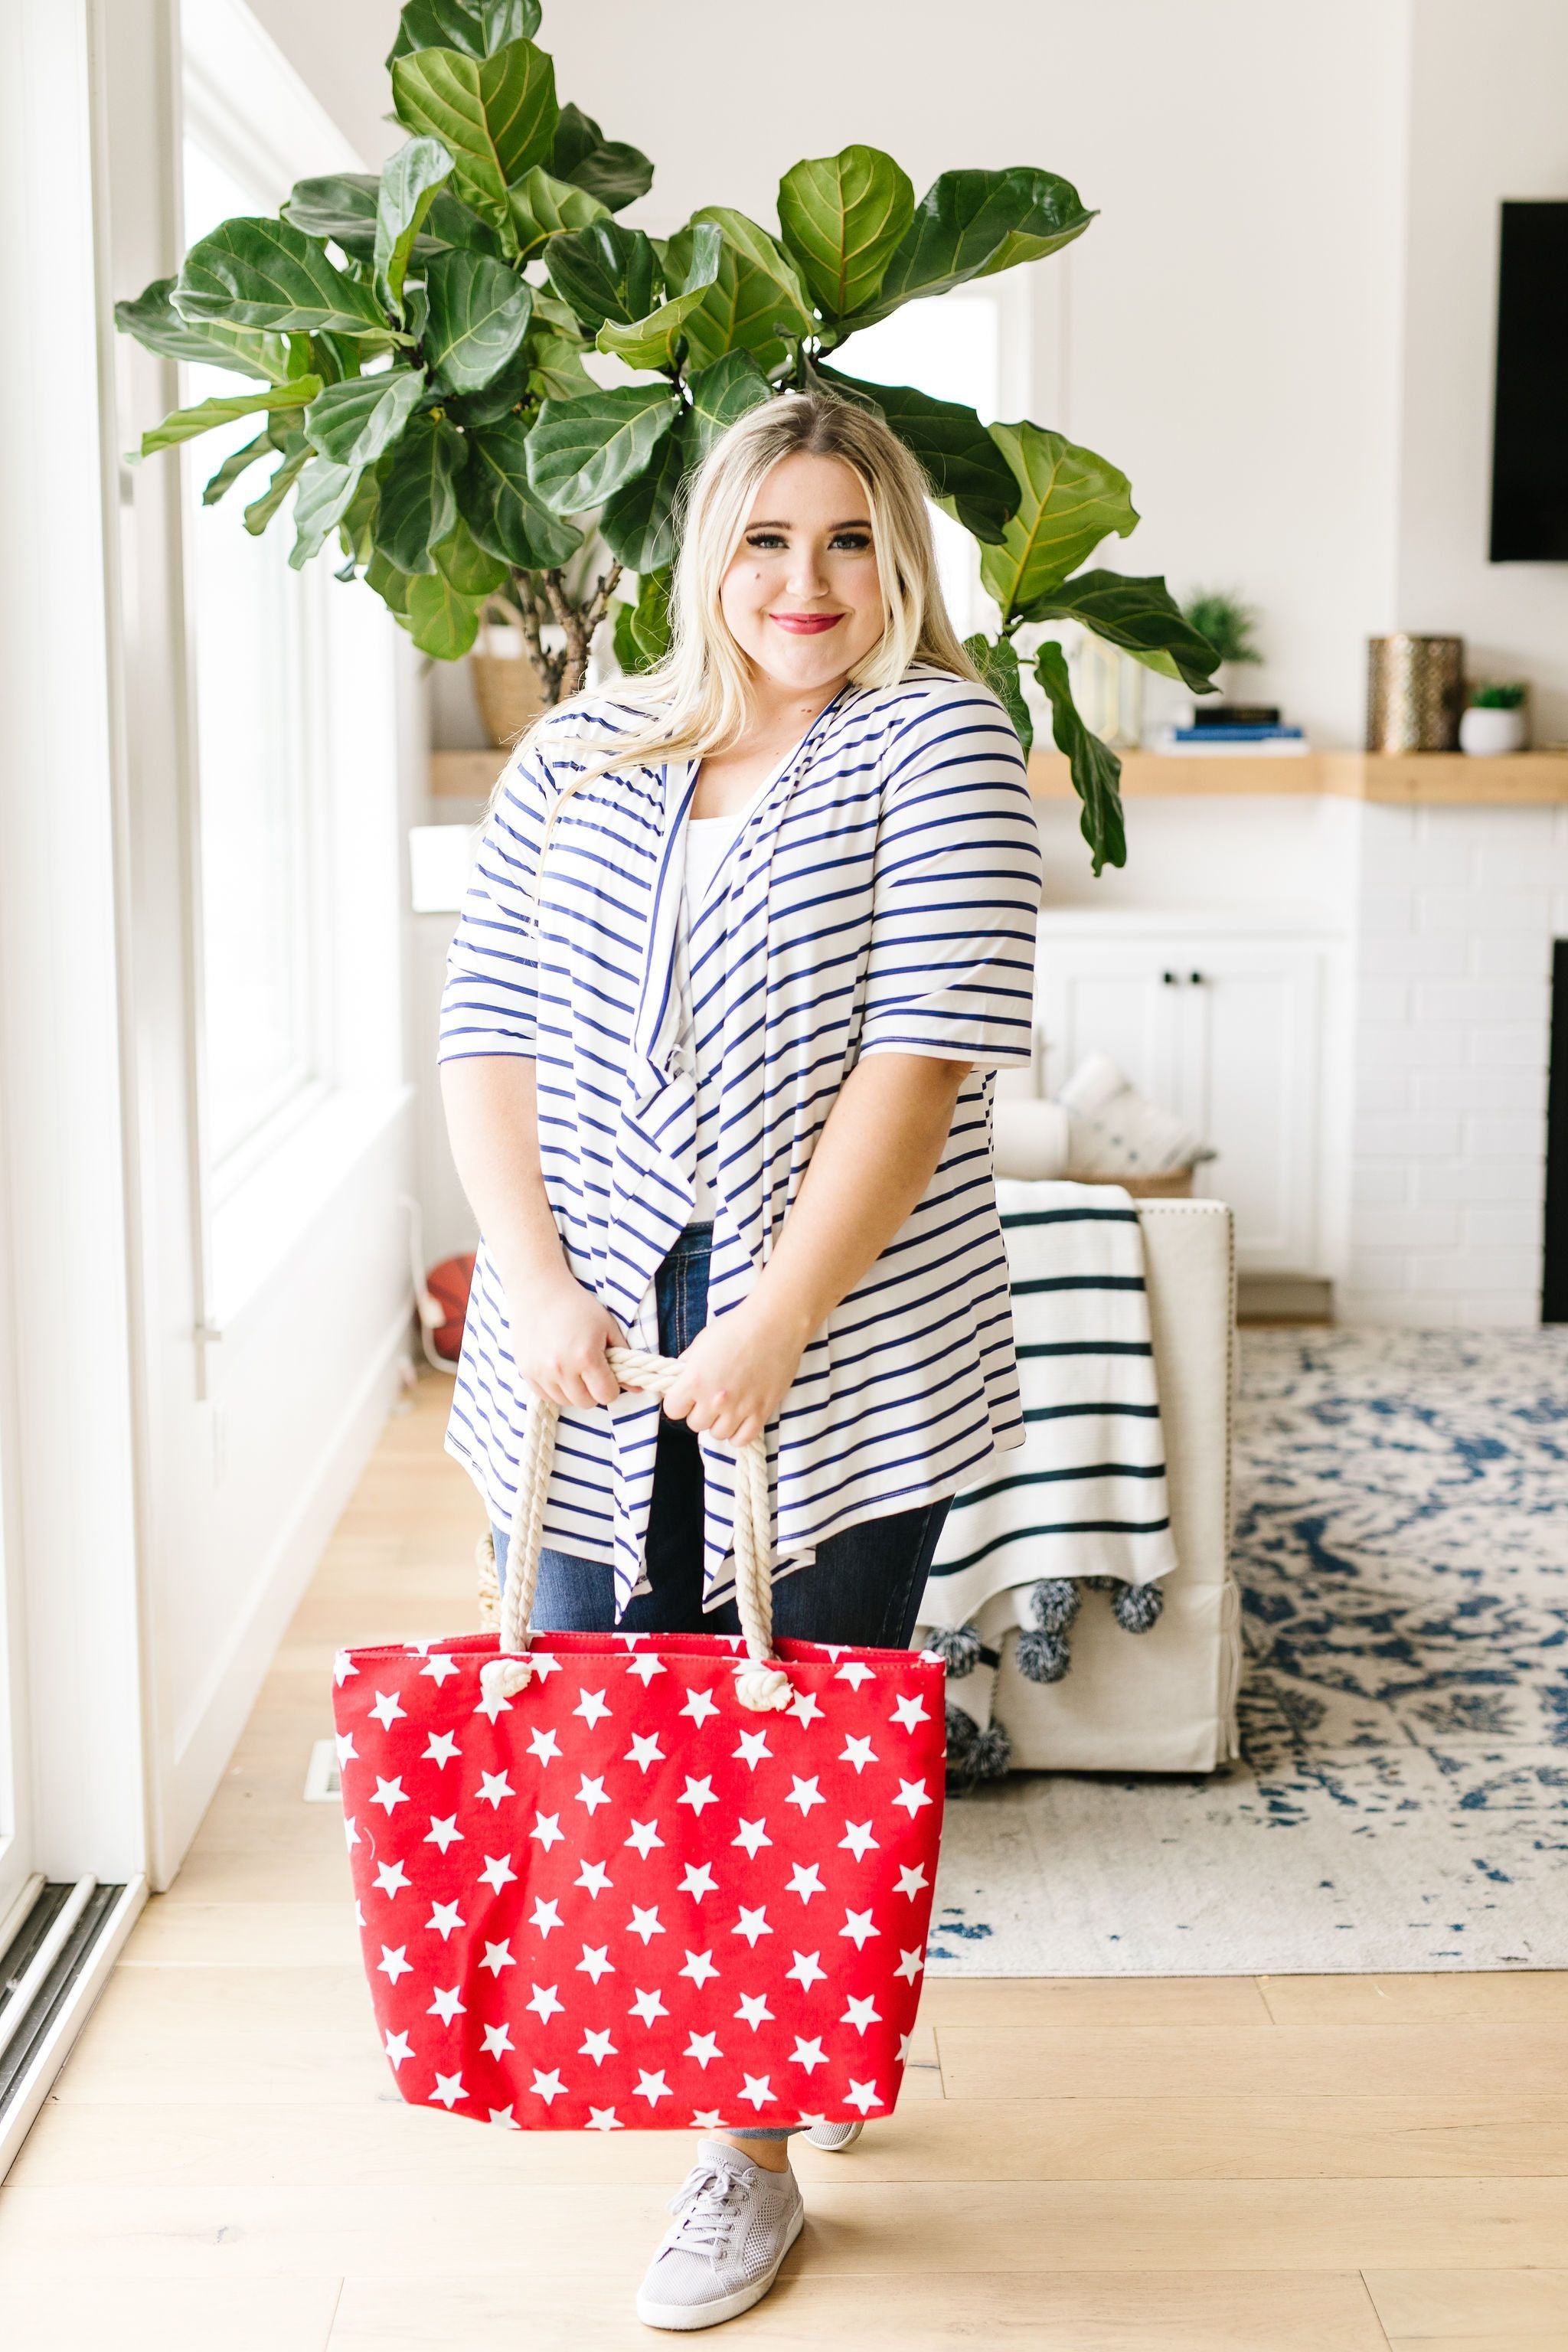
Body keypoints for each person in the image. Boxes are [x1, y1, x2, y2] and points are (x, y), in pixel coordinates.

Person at [438, 390, 1043, 2330]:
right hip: (589, 1350)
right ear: (706, 550)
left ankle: (747, 2154)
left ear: (903, 559)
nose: (808, 582)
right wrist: (529, 1291)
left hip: (843, 1346)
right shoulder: (578, 755)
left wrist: (774, 1313)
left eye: (851, 540)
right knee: (628, 1720)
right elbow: (491, 1036)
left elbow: (924, 1048)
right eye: (769, 540)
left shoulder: (939, 733)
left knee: (806, 1738)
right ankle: (760, 2051)